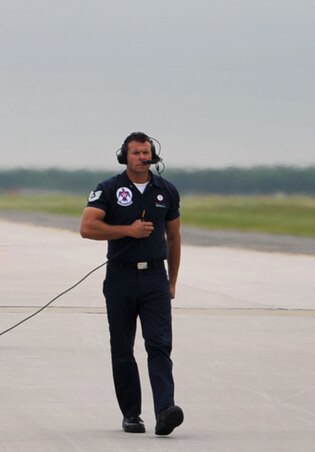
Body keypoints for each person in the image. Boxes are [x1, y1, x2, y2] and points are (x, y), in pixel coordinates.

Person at [80, 131, 183, 437]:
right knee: (122, 348)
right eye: (136, 152)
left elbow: (174, 238)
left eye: (146, 152)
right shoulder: (109, 189)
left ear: (154, 156)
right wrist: (128, 230)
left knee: (160, 345)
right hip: (121, 277)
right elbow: (87, 227)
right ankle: (131, 414)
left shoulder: (166, 190)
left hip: (154, 278)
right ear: (124, 156)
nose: (142, 157)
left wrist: (172, 281)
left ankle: (165, 410)